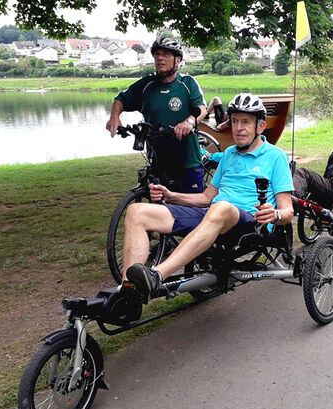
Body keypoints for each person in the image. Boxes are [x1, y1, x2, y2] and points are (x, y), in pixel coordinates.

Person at [120, 93, 294, 300]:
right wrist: (171, 196)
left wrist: (274, 214)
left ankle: (157, 275)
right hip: (214, 215)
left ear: (260, 126)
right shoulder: (229, 154)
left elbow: (288, 211)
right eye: (235, 121)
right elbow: (206, 198)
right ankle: (128, 292)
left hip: (250, 222)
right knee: (137, 212)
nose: (238, 128)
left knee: (220, 207)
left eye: (246, 122)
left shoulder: (276, 157)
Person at [106, 37, 208, 193]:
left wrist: (189, 122)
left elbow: (201, 108)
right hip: (158, 163)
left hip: (188, 162)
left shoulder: (187, 83)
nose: (160, 58)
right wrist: (114, 117)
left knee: (193, 211)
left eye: (166, 54)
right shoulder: (147, 85)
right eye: (157, 54)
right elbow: (121, 99)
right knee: (160, 212)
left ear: (178, 60)